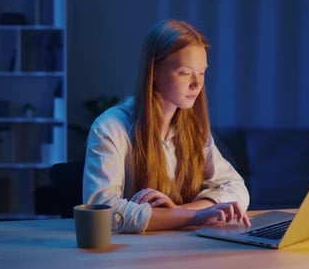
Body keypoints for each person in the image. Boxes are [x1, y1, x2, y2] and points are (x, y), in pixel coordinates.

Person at [82, 19, 251, 233]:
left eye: (201, 72)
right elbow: (104, 214)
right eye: (185, 73)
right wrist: (196, 216)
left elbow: (237, 189)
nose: (197, 84)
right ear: (154, 72)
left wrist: (180, 212)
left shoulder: (193, 127)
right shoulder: (110, 127)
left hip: (179, 248)